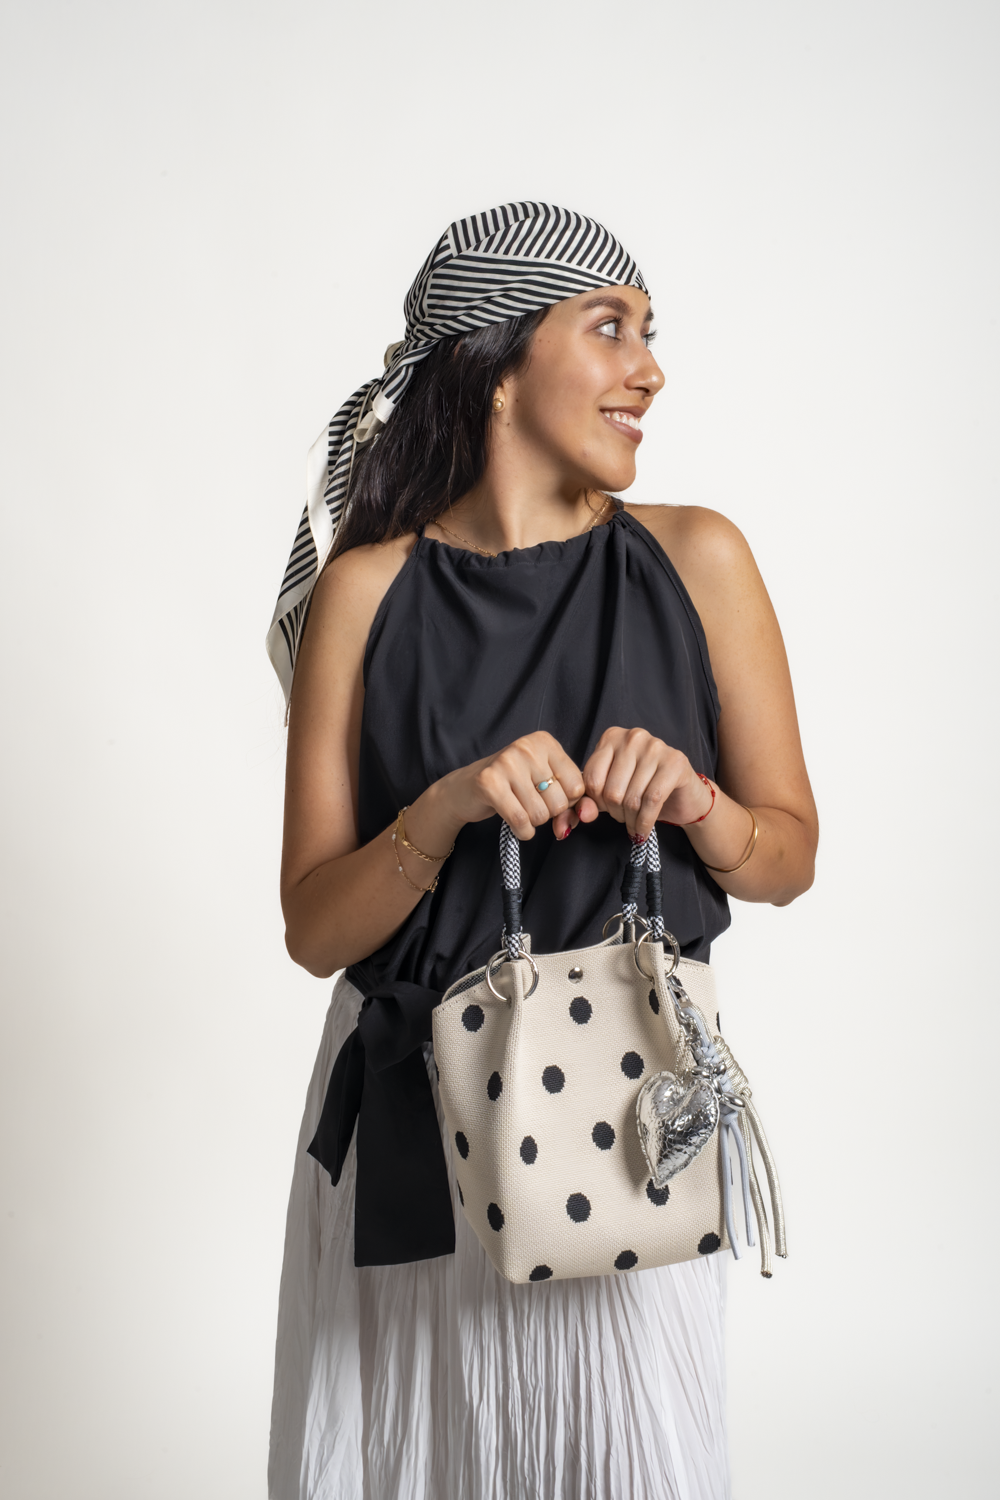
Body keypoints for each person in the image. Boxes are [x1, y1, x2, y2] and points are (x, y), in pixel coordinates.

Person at [266, 202, 818, 1500]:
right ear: (498, 364)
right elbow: (314, 928)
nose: (650, 369)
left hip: (622, 1127)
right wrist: (443, 810)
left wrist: (696, 802)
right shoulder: (366, 590)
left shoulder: (697, 557)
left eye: (651, 332)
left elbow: (787, 857)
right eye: (609, 327)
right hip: (413, 1125)